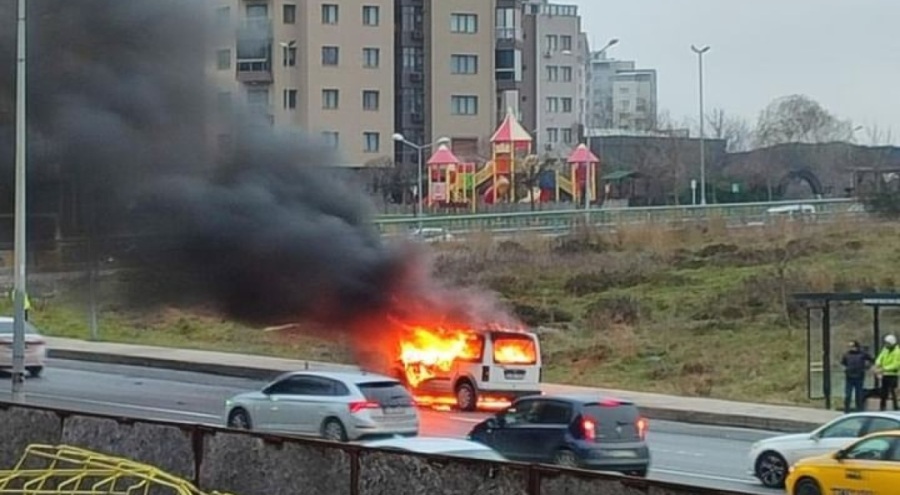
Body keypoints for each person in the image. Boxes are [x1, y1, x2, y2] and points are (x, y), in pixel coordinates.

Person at [841, 340, 873, 413]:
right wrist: (845, 369)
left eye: (852, 346)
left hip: (859, 377)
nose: (851, 348)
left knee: (859, 395)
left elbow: (871, 360)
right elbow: (843, 363)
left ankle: (859, 410)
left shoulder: (862, 354)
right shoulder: (846, 354)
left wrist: (868, 367)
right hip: (849, 378)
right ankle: (846, 411)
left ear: (856, 346)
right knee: (848, 395)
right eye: (849, 346)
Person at [874, 334, 900, 411]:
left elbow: (896, 364)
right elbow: (880, 358)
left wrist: (883, 369)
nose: (886, 345)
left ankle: (896, 408)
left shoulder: (897, 352)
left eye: (888, 343)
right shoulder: (885, 349)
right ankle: (882, 408)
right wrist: (877, 365)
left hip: (893, 375)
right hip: (885, 375)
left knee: (893, 392)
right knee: (883, 393)